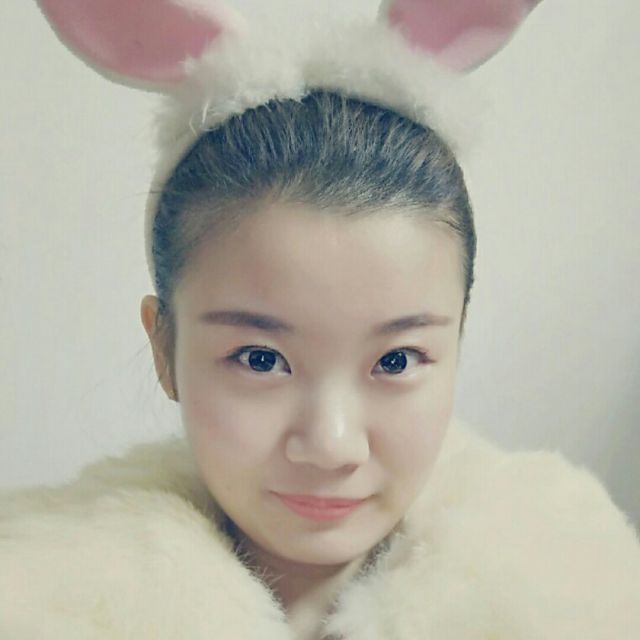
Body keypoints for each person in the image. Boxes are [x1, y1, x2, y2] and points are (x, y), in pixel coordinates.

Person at [2, 1, 639, 639]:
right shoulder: (36, 603)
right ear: (164, 347)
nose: (332, 445)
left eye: (396, 360)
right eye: (260, 359)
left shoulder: (583, 601)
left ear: (458, 341)